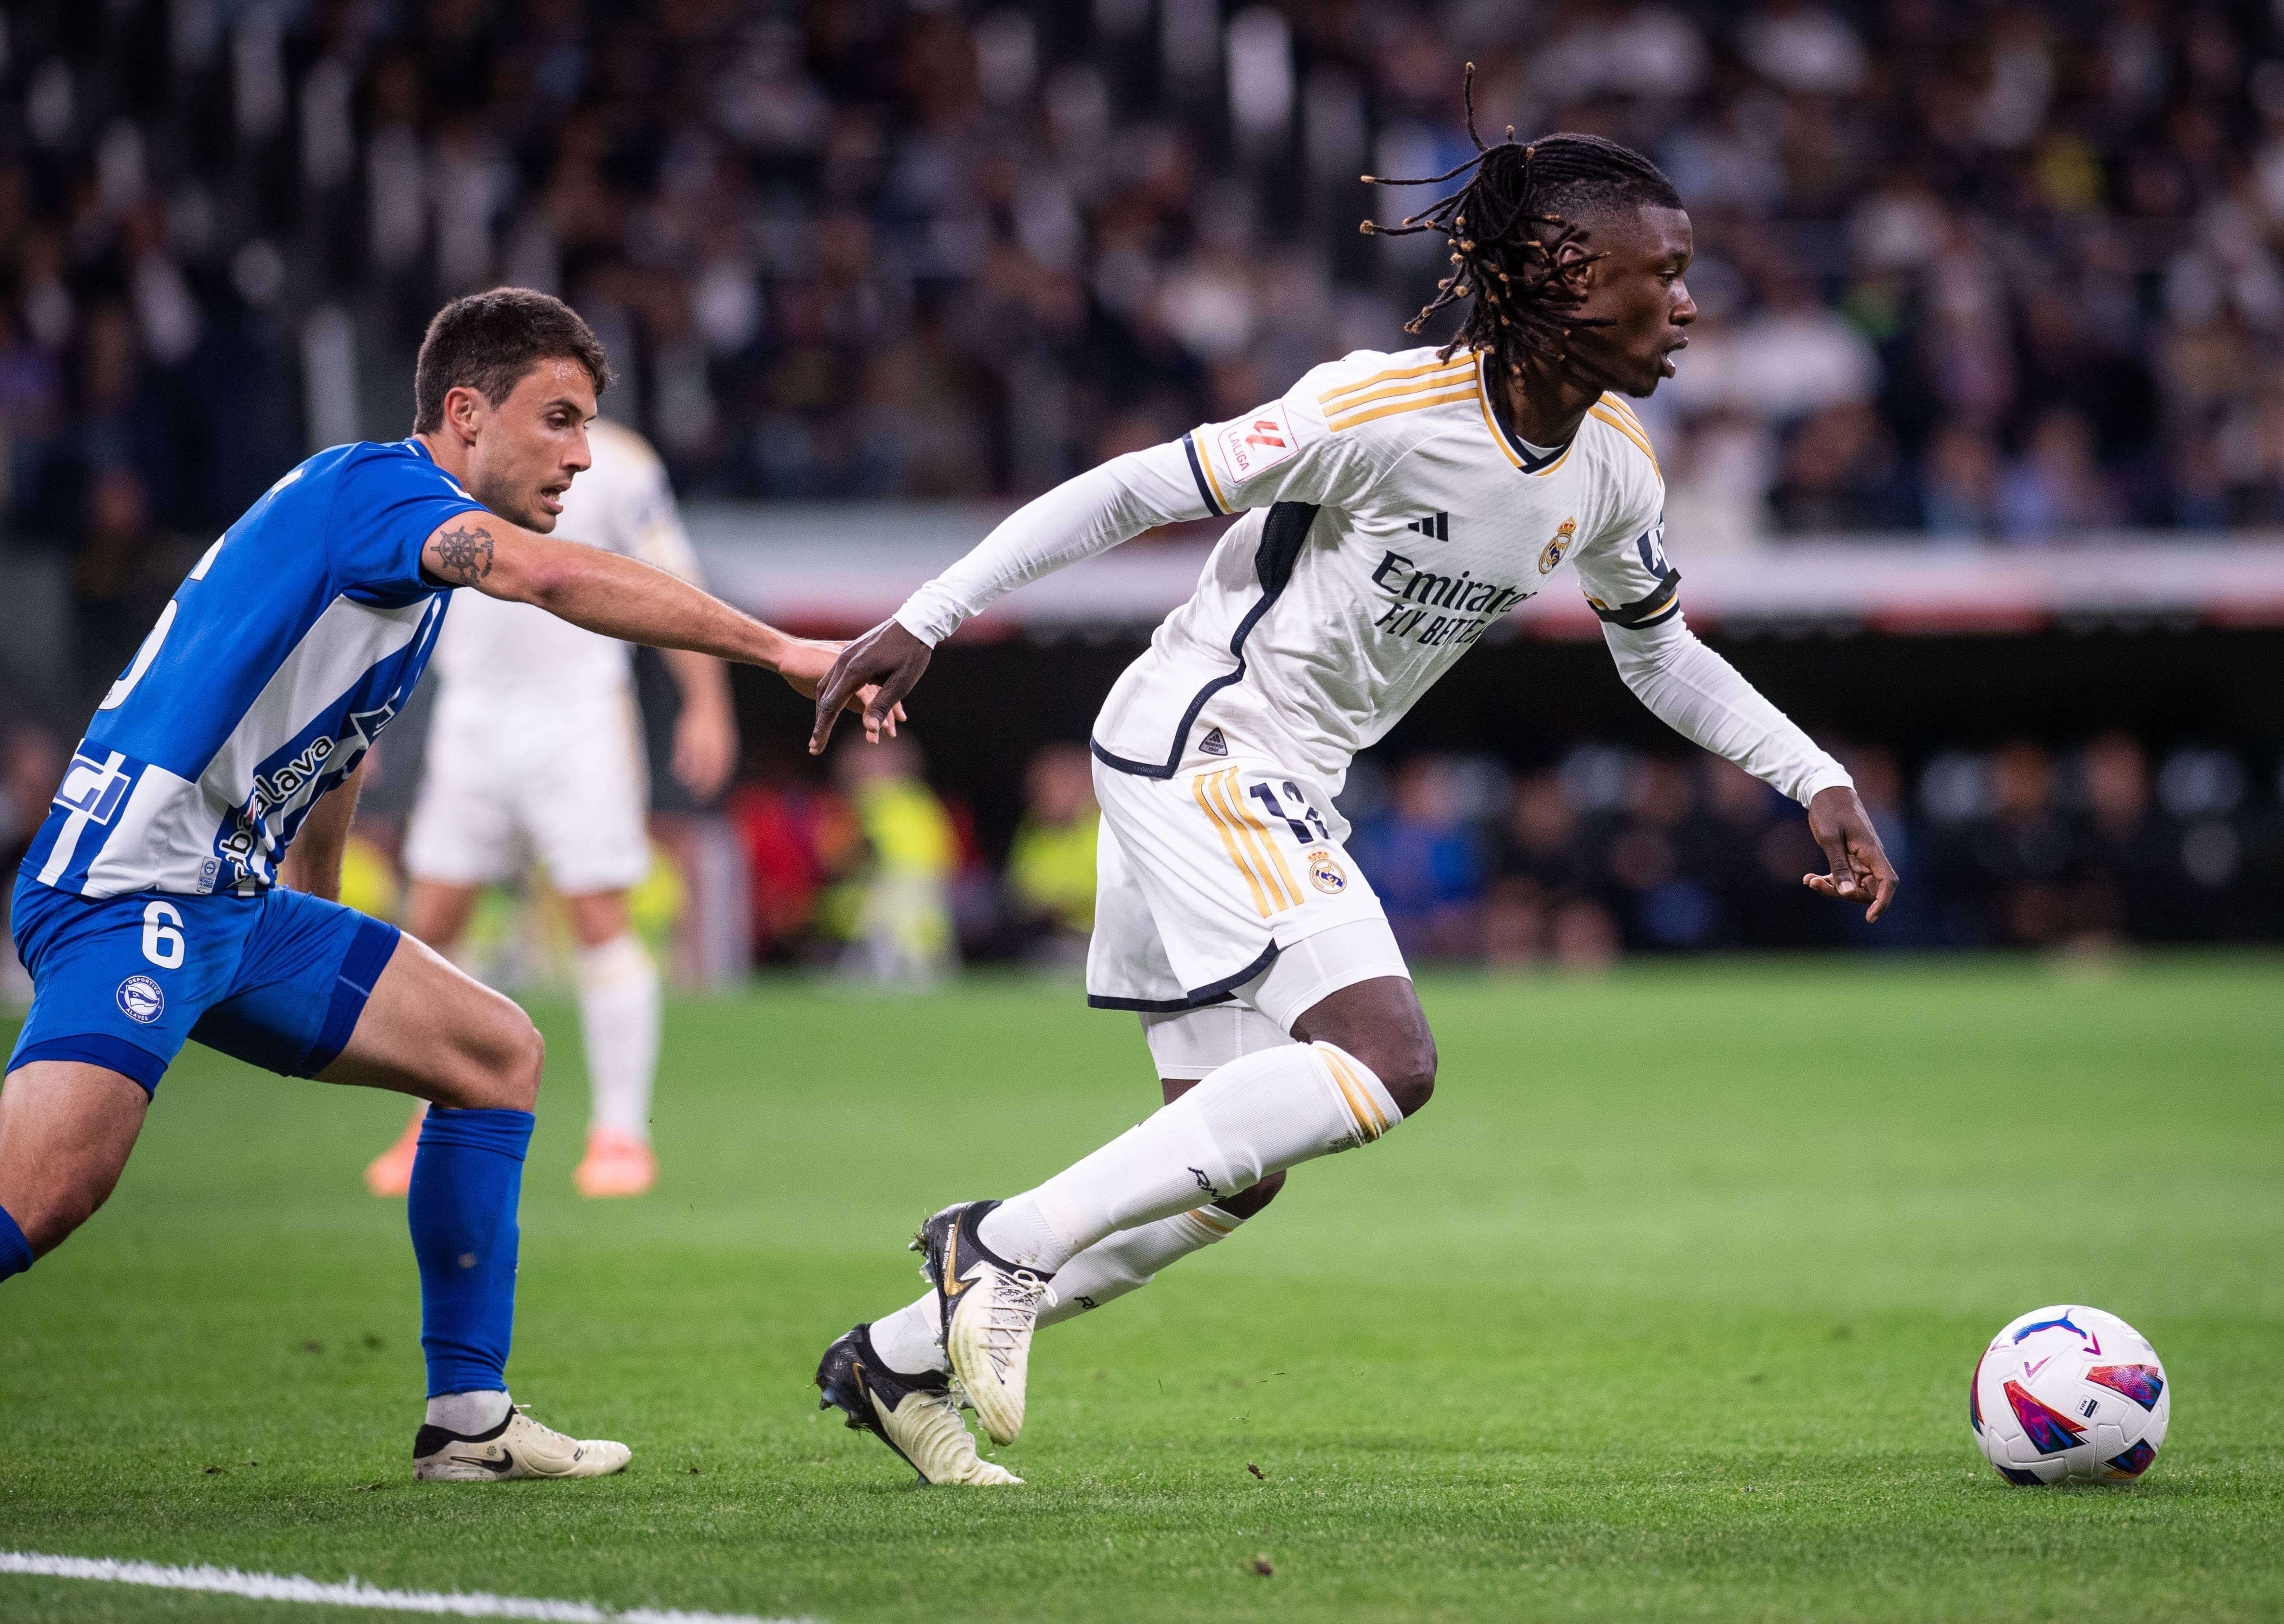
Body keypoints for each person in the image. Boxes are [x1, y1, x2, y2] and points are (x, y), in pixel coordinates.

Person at [804, 101, 1899, 1488]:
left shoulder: (1614, 465)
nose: (1687, 306)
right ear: (1566, 270)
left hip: (1283, 774)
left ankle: (896, 1360)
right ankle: (996, 1245)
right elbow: (1136, 489)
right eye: (1663, 273)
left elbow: (1658, 649)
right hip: (1202, 736)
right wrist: (931, 613)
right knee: (1390, 1058)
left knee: (1232, 1172)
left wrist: (1815, 774)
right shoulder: (1384, 408)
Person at [0, 289, 883, 1481]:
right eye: (557, 418)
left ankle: (469, 1424)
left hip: (230, 904)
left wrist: (319, 911)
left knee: (493, 1054)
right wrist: (782, 650)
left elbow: (336, 752)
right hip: (129, 890)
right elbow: (553, 580)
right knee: (50, 1193)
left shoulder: (405, 576)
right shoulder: (377, 493)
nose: (579, 453)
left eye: (588, 425)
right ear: (464, 414)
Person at [363, 419, 736, 1200]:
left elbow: (671, 582)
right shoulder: (439, 455)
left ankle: (622, 1137)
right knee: (433, 922)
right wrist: (355, 718)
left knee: (598, 917)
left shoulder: (622, 463)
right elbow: (381, 593)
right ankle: (426, 1121)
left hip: (581, 716)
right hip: (472, 717)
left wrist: (707, 702)